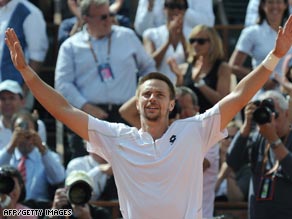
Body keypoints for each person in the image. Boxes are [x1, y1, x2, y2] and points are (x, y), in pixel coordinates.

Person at [5, 13, 292, 218]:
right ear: (138, 103)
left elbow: (239, 95)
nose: (151, 98)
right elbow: (63, 109)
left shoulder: (196, 130)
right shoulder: (117, 137)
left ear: (171, 105)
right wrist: (27, 74)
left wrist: (275, 56)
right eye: (146, 94)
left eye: (159, 94)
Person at [55, 0, 156, 163]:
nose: (109, 20)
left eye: (110, 15)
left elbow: (148, 67)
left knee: (131, 166)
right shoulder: (70, 46)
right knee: (88, 172)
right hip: (88, 117)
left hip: (126, 114)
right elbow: (62, 83)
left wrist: (141, 95)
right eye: (103, 17)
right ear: (86, 18)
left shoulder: (127, 36)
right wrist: (86, 106)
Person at [227, 90, 292, 219]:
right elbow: (232, 162)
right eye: (266, 115)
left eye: (275, 115)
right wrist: (246, 127)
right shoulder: (258, 138)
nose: (271, 121)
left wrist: (274, 139)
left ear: (287, 113)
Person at [0, 111, 65, 201]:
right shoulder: (7, 156)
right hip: (10, 208)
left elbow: (59, 178)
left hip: (39, 209)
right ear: (13, 132)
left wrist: (41, 147)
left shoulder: (47, 157)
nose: (25, 134)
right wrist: (11, 146)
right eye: (19, 131)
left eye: (29, 130)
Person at [168, 24, 232, 113]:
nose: (195, 45)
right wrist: (179, 78)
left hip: (211, 120)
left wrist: (199, 83)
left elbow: (222, 101)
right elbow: (177, 100)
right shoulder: (185, 68)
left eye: (201, 41)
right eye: (192, 41)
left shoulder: (222, 68)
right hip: (187, 120)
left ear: (213, 43)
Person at [229, 0, 291, 90]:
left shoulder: (290, 32)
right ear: (263, 5)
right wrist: (260, 79)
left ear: (285, 5)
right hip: (260, 94)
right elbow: (233, 66)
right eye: (270, 2)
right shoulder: (251, 32)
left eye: (278, 2)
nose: (275, 6)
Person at [0, 0, 49, 111]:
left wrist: (23, 94)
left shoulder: (30, 12)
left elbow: (37, 57)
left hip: (14, 98)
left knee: (19, 128)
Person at [142, 0, 188, 84]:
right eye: (171, 6)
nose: (175, 10)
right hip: (160, 87)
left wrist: (182, 36)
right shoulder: (151, 34)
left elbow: (193, 62)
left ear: (185, 10)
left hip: (184, 89)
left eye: (180, 7)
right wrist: (168, 41)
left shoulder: (193, 34)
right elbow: (150, 64)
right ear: (164, 8)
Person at [43, 170, 111, 219]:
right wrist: (54, 210)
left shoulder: (100, 213)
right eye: (74, 190)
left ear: (91, 193)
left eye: (83, 191)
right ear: (66, 191)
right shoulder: (60, 212)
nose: (78, 194)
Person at [0, 79, 47, 150]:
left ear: (22, 101)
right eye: (3, 99)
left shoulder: (38, 125)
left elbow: (40, 154)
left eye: (12, 98)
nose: (7, 102)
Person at [134, 0, 215, 37]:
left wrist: (181, 9)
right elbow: (141, 30)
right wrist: (149, 8)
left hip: (190, 44)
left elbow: (208, 24)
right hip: (157, 45)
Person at [215, 120, 251, 202]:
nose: (229, 141)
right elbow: (205, 194)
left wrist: (228, 171)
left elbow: (236, 199)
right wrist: (221, 176)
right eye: (226, 137)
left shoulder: (245, 168)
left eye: (234, 138)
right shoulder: (211, 162)